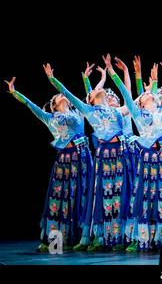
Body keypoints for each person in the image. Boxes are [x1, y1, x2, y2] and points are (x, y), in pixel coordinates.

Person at [43, 62, 133, 251]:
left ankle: (117, 237)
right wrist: (53, 80)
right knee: (100, 195)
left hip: (117, 155)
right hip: (92, 158)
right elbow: (68, 93)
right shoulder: (88, 110)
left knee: (119, 194)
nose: (98, 92)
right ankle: (90, 238)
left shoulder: (115, 111)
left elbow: (130, 101)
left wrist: (118, 74)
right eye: (92, 93)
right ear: (90, 100)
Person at [5, 76, 93, 252]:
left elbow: (90, 98)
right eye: (58, 95)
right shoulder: (49, 117)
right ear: (54, 104)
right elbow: (30, 105)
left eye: (62, 94)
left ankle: (81, 237)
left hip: (82, 157)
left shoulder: (78, 112)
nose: (62, 95)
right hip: (64, 159)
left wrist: (85, 79)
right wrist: (15, 93)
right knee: (60, 197)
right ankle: (55, 240)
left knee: (81, 193)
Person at [107, 57, 162, 252]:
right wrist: (115, 73)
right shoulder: (138, 114)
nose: (150, 95)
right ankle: (144, 236)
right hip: (148, 159)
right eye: (146, 95)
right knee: (147, 196)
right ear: (140, 103)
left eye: (152, 94)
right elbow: (125, 93)